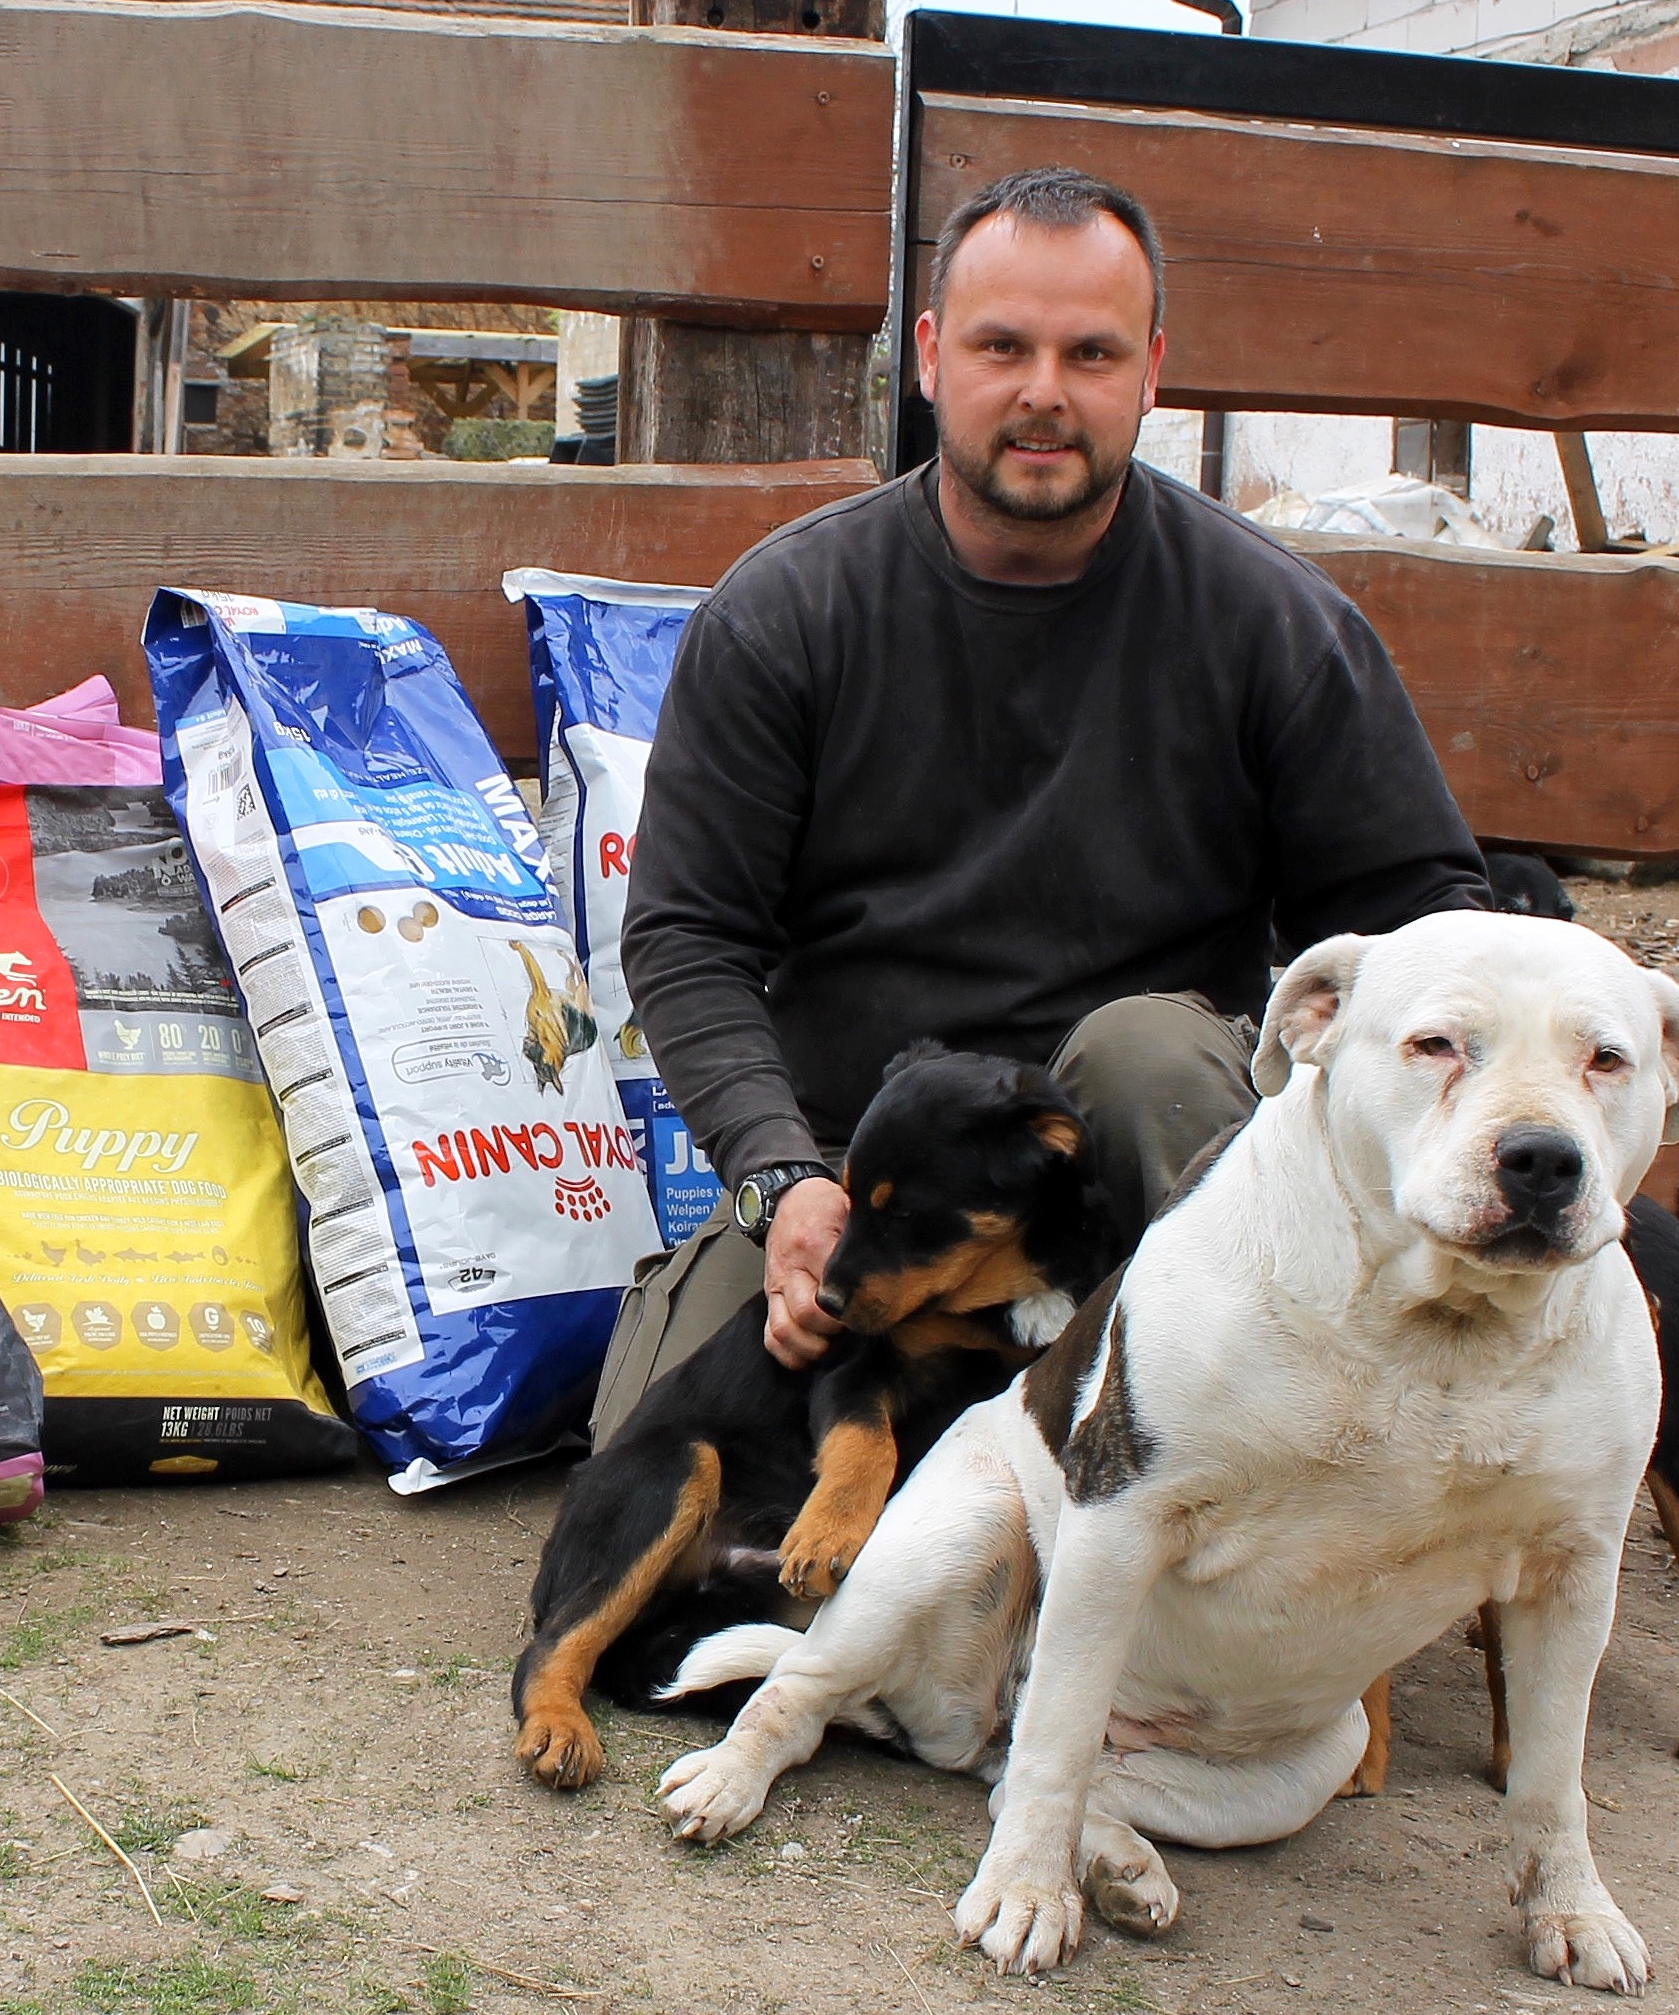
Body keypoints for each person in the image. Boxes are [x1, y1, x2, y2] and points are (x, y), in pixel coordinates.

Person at [593, 164, 1489, 1441]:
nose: (1043, 393)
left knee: (1147, 1053)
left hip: (1148, 1184)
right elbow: (687, 939)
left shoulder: (1274, 627)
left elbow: (1428, 931)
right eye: (1001, 345)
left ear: (1152, 369)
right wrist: (780, 1178)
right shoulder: (788, 614)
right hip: (871, 1182)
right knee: (664, 1475)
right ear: (928, 356)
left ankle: (1247, 1433)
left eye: (1091, 352)